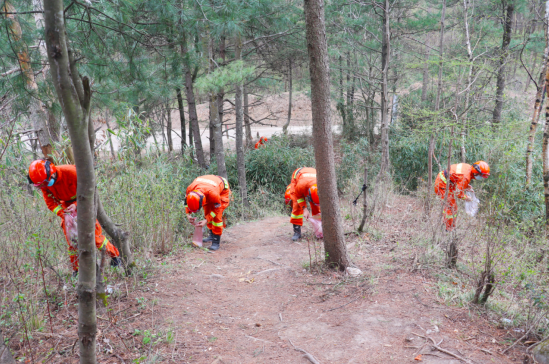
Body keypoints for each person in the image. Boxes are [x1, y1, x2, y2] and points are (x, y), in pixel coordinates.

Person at [28, 160, 121, 276]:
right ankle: (77, 269)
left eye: (44, 184)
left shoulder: (72, 172)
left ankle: (115, 256)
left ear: (52, 173)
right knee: (73, 242)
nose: (44, 187)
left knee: (95, 238)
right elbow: (50, 203)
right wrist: (64, 214)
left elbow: (89, 192)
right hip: (66, 209)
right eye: (41, 186)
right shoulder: (44, 183)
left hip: (84, 203)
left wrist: (77, 206)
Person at [434, 161, 490, 231]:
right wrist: (467, 198)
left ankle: (449, 226)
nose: (481, 177)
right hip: (443, 185)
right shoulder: (465, 177)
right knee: (451, 208)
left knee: (452, 207)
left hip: (447, 182)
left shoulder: (468, 168)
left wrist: (465, 186)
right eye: (481, 175)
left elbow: (457, 178)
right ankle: (449, 229)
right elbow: (458, 193)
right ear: (476, 172)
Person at [184, 175, 231, 251]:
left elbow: (217, 209)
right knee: (207, 211)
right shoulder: (190, 189)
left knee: (216, 217)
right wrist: (188, 214)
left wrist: (206, 220)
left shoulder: (213, 194)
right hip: (208, 186)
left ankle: (216, 240)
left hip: (222, 189)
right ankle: (211, 235)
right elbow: (186, 202)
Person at [289, 167, 320, 241]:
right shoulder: (301, 185)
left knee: (317, 207)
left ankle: (319, 228)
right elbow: (298, 196)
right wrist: (305, 209)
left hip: (311, 175)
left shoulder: (321, 184)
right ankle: (297, 231)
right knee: (297, 205)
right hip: (298, 177)